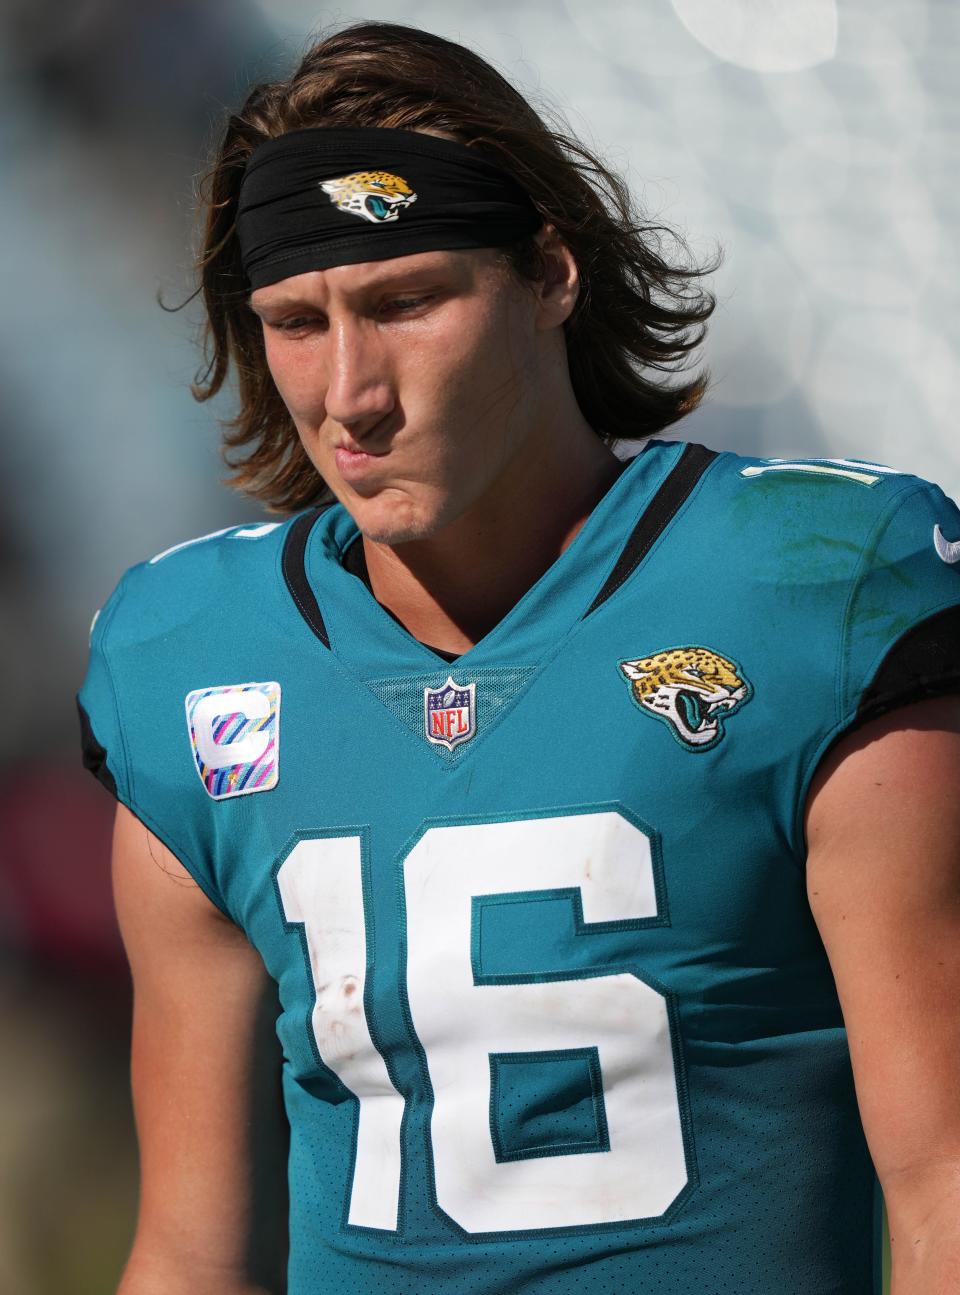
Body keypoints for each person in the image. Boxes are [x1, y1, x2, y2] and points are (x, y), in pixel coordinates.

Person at [78, 19, 960, 1295]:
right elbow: (195, 1249)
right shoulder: (189, 654)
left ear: (550, 274)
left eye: (405, 302)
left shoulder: (816, 582)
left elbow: (944, 1179)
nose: (350, 392)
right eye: (294, 321)